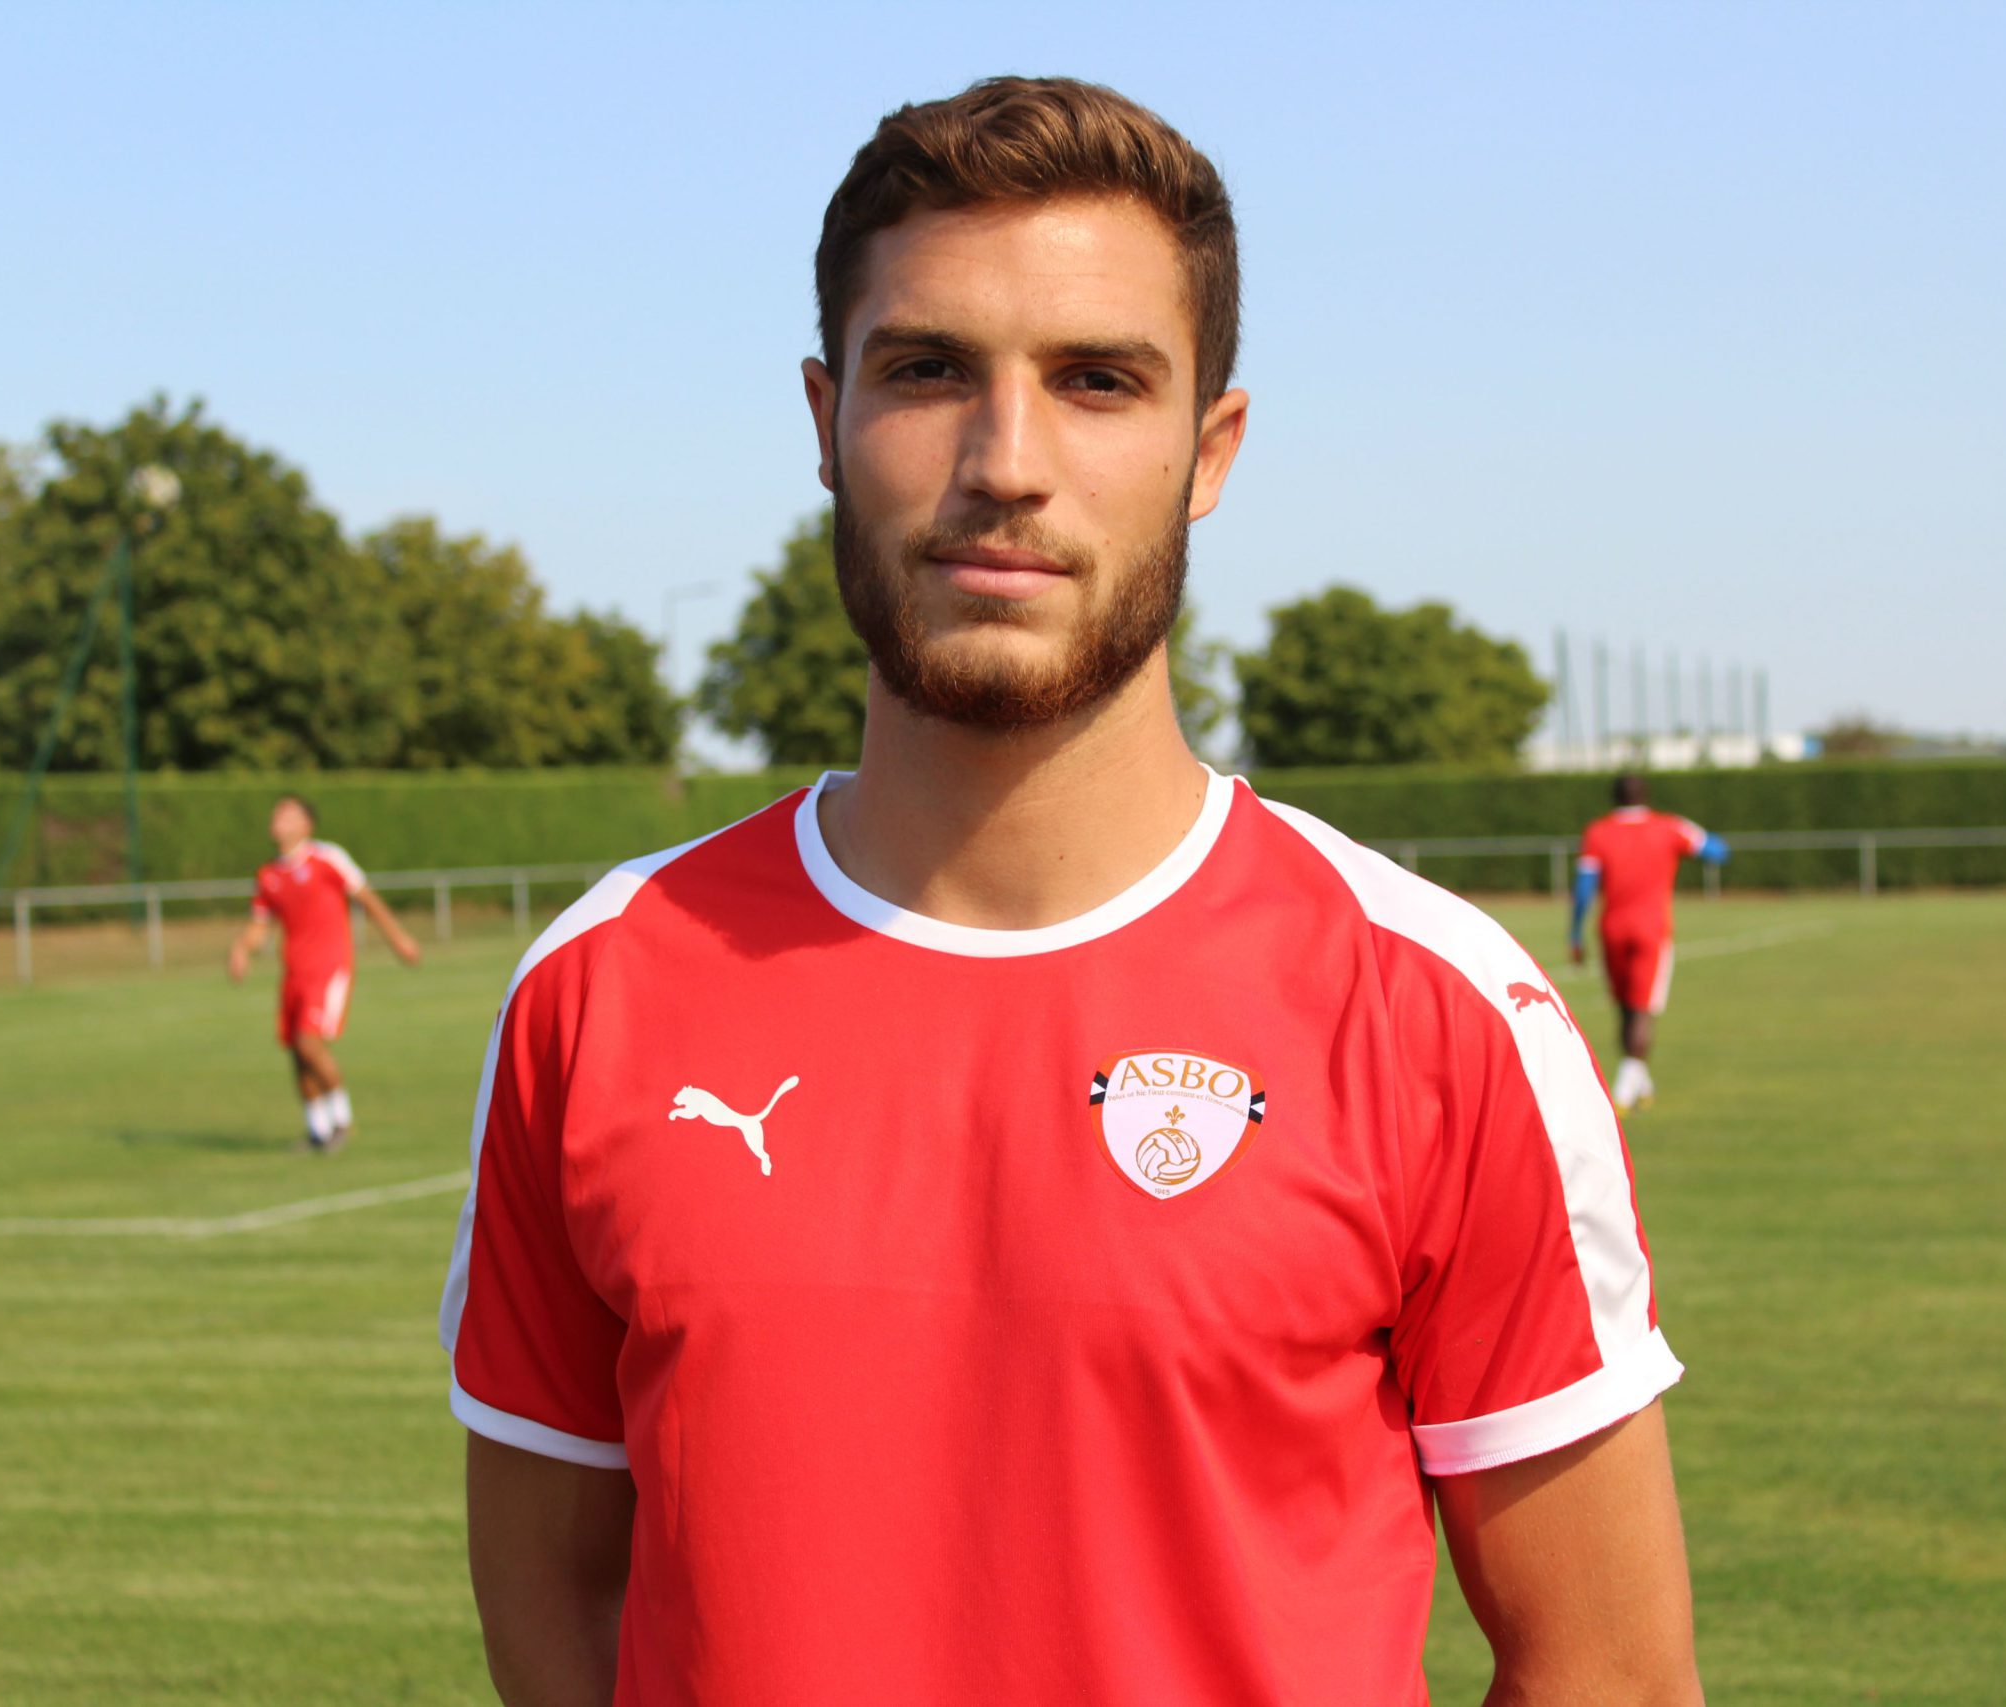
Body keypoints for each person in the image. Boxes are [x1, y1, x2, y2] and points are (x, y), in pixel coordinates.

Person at [443, 77, 1702, 1707]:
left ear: (1210, 450)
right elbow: (555, 1598)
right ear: (825, 419)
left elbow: (1609, 1670)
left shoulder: (1440, 1013)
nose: (1007, 461)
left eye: (1098, 380)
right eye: (926, 370)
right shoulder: (600, 987)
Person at [226, 794, 419, 1151]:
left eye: (287, 814)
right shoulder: (269, 874)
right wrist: (241, 948)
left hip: (329, 967)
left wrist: (398, 939)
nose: (277, 820)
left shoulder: (327, 858)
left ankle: (341, 1122)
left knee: (308, 1042)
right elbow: (260, 925)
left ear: (306, 824)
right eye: (276, 814)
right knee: (296, 1053)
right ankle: (317, 1132)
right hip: (294, 972)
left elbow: (366, 898)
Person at [1571, 775, 1729, 1113]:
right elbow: (1718, 851)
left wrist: (1575, 933)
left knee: (1625, 1007)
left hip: (1612, 929)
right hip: (1652, 930)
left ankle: (1640, 1083)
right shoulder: (1668, 827)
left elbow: (1584, 888)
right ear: (1646, 795)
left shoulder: (1598, 832)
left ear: (1614, 797)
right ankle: (1624, 1090)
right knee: (1641, 1008)